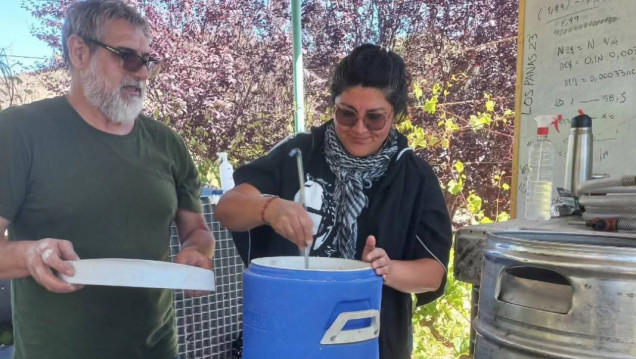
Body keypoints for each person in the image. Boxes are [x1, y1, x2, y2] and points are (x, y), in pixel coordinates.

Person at [0, 1, 215, 358]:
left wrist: (196, 252)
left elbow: (197, 230)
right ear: (79, 51)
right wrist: (31, 255)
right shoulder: (19, 132)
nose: (142, 73)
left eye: (148, 60)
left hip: (157, 349)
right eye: (127, 57)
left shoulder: (167, 143)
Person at [216, 44, 452, 359]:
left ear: (396, 114)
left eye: (375, 118)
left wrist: (387, 268)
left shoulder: (414, 176)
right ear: (334, 106)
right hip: (290, 335)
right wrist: (268, 208)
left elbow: (433, 272)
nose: (358, 129)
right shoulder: (299, 153)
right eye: (346, 114)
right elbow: (228, 208)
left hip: (372, 342)